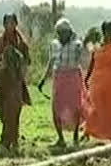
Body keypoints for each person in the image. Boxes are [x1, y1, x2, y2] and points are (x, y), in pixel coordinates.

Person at [38, 18, 89, 147]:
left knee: (75, 107)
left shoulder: (77, 45)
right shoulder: (54, 44)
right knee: (56, 107)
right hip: (59, 77)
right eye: (59, 32)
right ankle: (61, 139)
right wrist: (43, 79)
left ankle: (76, 136)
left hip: (73, 77)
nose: (61, 35)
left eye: (63, 32)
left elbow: (84, 59)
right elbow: (51, 62)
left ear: (69, 32)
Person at [0, 13, 31, 152]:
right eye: (7, 23)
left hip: (16, 82)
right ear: (4, 25)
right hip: (1, 81)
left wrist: (17, 59)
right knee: (3, 113)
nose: (10, 26)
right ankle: (13, 139)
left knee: (13, 112)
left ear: (16, 24)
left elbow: (28, 61)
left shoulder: (22, 43)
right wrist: (4, 56)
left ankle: (5, 142)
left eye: (12, 23)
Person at [84, 20, 111, 141]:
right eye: (107, 30)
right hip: (97, 82)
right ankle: (90, 131)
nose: (109, 32)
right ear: (103, 31)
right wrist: (86, 78)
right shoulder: (97, 48)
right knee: (96, 108)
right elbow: (91, 65)